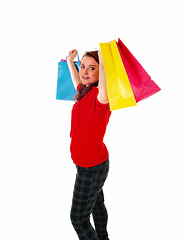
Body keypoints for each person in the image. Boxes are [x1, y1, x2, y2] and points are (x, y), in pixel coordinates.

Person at [67, 49, 111, 240]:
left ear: (101, 72)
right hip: (87, 164)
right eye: (82, 66)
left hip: (91, 168)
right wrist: (71, 62)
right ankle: (103, 237)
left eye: (92, 68)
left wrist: (104, 59)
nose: (84, 71)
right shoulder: (84, 91)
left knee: (78, 219)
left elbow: (104, 83)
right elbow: (77, 81)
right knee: (96, 205)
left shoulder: (101, 98)